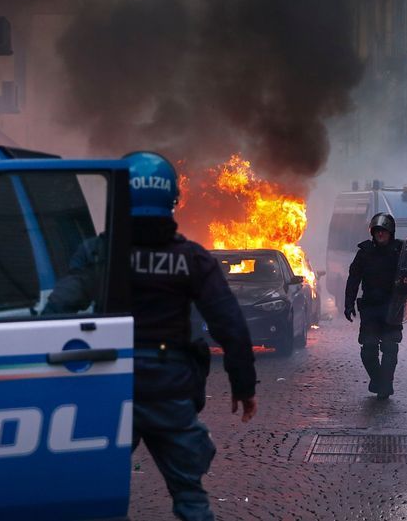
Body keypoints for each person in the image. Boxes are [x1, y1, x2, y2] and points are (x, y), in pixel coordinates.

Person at [50, 151, 257, 521]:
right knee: (190, 496)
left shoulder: (98, 254)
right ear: (173, 201)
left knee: (96, 491)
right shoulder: (192, 259)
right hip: (170, 385)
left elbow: (57, 309)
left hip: (109, 384)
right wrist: (243, 386)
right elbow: (231, 326)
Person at [343, 213, 407, 399]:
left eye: (384, 231)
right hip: (370, 307)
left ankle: (386, 384)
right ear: (372, 232)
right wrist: (349, 303)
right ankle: (377, 379)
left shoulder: (402, 251)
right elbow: (354, 278)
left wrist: (405, 285)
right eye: (377, 231)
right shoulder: (364, 252)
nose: (380, 234)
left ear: (391, 232)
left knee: (390, 347)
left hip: (392, 307)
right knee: (368, 349)